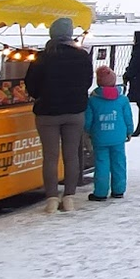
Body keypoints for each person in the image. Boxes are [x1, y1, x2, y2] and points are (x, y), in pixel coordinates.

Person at [23, 17, 94, 213]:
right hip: (75, 112)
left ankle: (52, 199)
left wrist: (41, 96)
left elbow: (31, 86)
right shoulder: (82, 57)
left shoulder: (42, 57)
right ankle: (69, 197)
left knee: (50, 157)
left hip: (47, 113)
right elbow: (87, 83)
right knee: (71, 156)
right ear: (70, 34)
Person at [84, 66, 134, 201]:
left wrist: (87, 131)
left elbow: (88, 119)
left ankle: (100, 192)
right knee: (119, 163)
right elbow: (128, 117)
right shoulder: (122, 100)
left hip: (100, 137)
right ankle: (118, 190)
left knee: (101, 164)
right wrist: (130, 131)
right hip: (118, 137)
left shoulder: (93, 100)